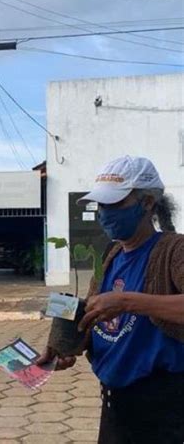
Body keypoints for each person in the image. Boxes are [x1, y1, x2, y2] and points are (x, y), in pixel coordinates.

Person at [38, 155, 184, 444]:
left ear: (147, 203)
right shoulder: (112, 254)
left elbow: (121, 304)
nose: (105, 212)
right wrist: (63, 343)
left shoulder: (174, 249)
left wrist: (127, 301)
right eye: (100, 204)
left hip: (164, 410)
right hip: (115, 405)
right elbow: (97, 311)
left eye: (115, 203)